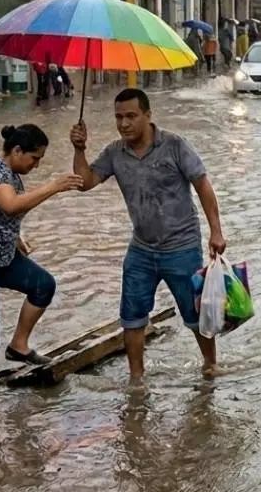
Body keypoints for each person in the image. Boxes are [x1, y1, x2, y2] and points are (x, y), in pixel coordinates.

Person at [70, 88, 227, 385]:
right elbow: (85, 182)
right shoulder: (115, 153)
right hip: (141, 248)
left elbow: (203, 185)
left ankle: (210, 366)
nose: (124, 124)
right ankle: (136, 380)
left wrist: (216, 231)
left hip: (182, 246)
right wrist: (79, 149)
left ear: (148, 115)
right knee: (132, 316)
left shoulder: (174, 145)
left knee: (195, 314)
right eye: (119, 117)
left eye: (131, 116)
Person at [0, 125, 84, 409]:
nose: (36, 165)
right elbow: (10, 205)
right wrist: (53, 186)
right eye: (35, 158)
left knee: (43, 285)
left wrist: (14, 236)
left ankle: (18, 346)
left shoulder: (11, 172)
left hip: (2, 256)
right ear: (17, 151)